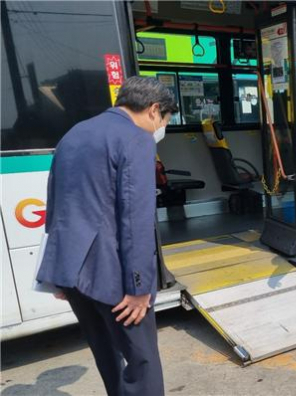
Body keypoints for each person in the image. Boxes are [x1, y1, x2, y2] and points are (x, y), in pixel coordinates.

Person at [37, 76, 177, 395]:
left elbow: (56, 201)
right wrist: (140, 287)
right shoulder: (136, 138)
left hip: (71, 273)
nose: (160, 129)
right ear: (154, 110)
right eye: (164, 120)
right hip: (110, 275)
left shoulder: (74, 133)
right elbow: (136, 217)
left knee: (107, 357)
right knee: (142, 363)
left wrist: (57, 275)